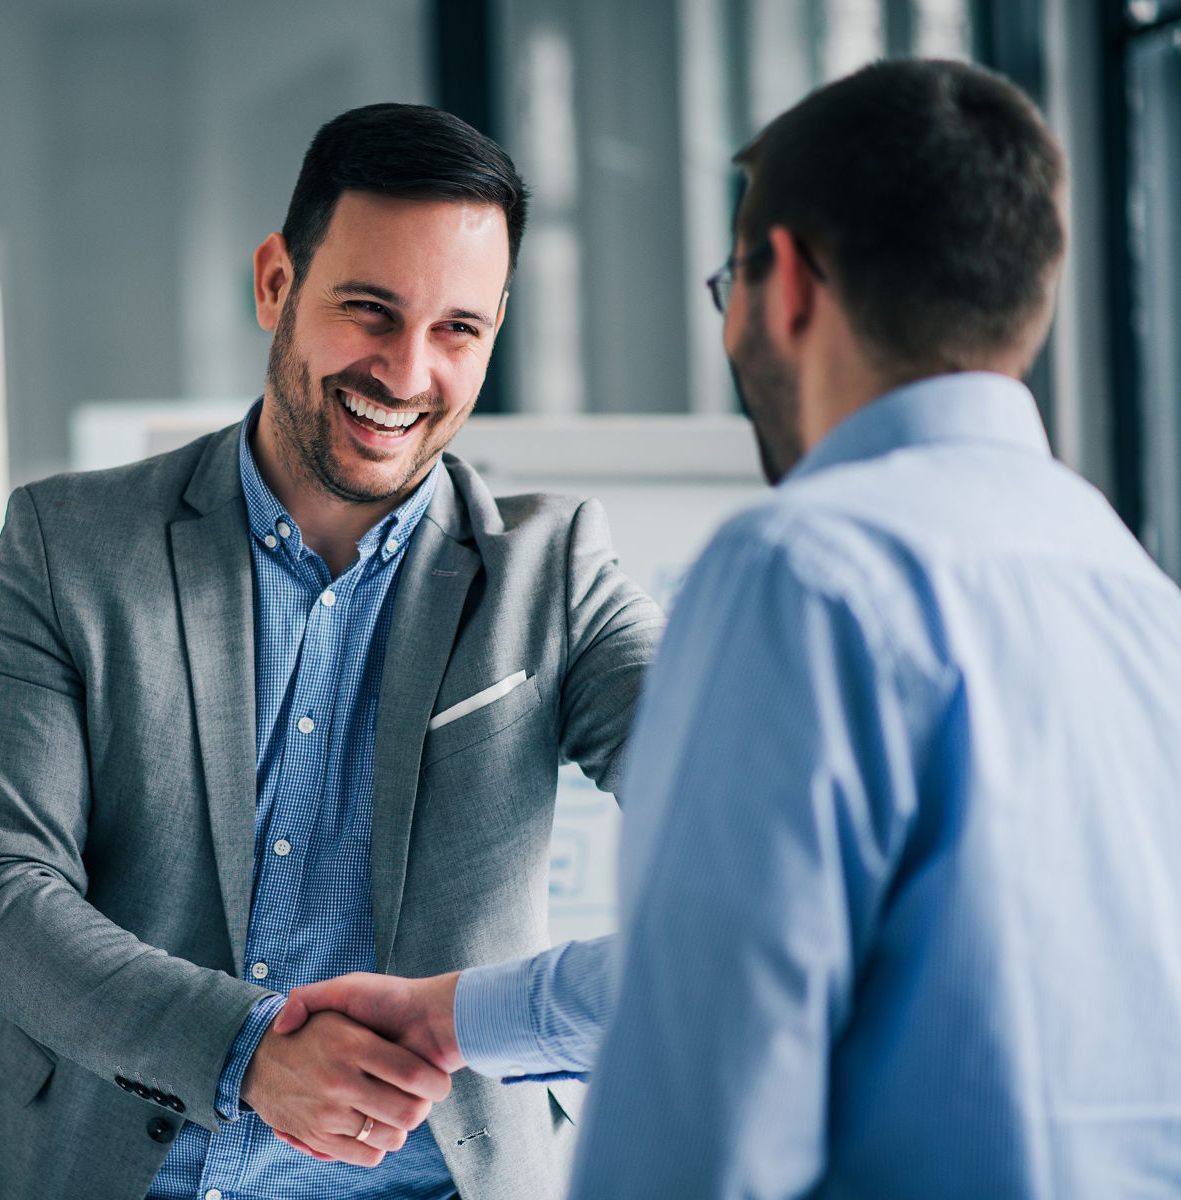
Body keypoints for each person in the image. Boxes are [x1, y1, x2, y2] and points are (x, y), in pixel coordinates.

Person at [274, 59, 1181, 1198]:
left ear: (786, 283)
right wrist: (457, 1016)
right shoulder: (1137, 596)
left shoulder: (803, 573)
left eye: (728, 284)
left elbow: (705, 1079)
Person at [0, 103, 662, 1200]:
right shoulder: (67, 547)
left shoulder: (554, 574)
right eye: (369, 310)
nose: (407, 373)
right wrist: (243, 1049)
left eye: (458, 330)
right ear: (276, 283)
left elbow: (746, 827)